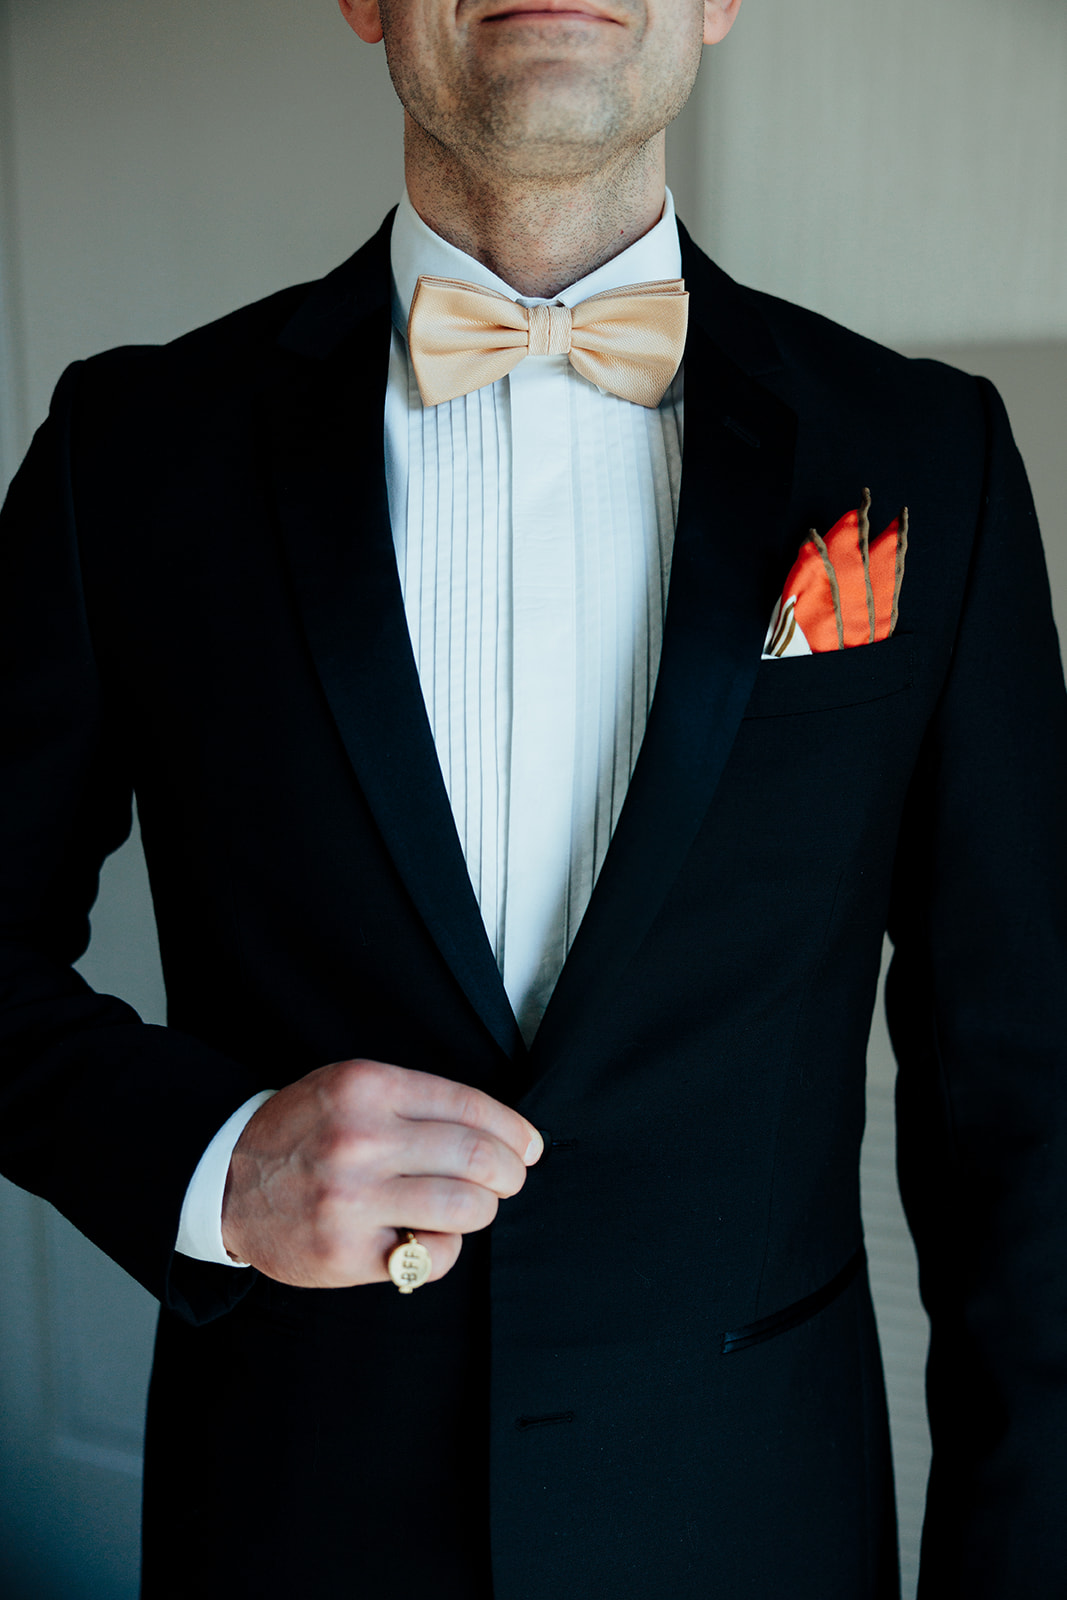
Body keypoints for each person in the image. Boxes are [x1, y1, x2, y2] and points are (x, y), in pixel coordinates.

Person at [1, 0, 1065, 1593]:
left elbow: (1028, 1105)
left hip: (754, 1529)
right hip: (292, 1528)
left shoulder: (932, 459)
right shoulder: (126, 453)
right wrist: (214, 1164)